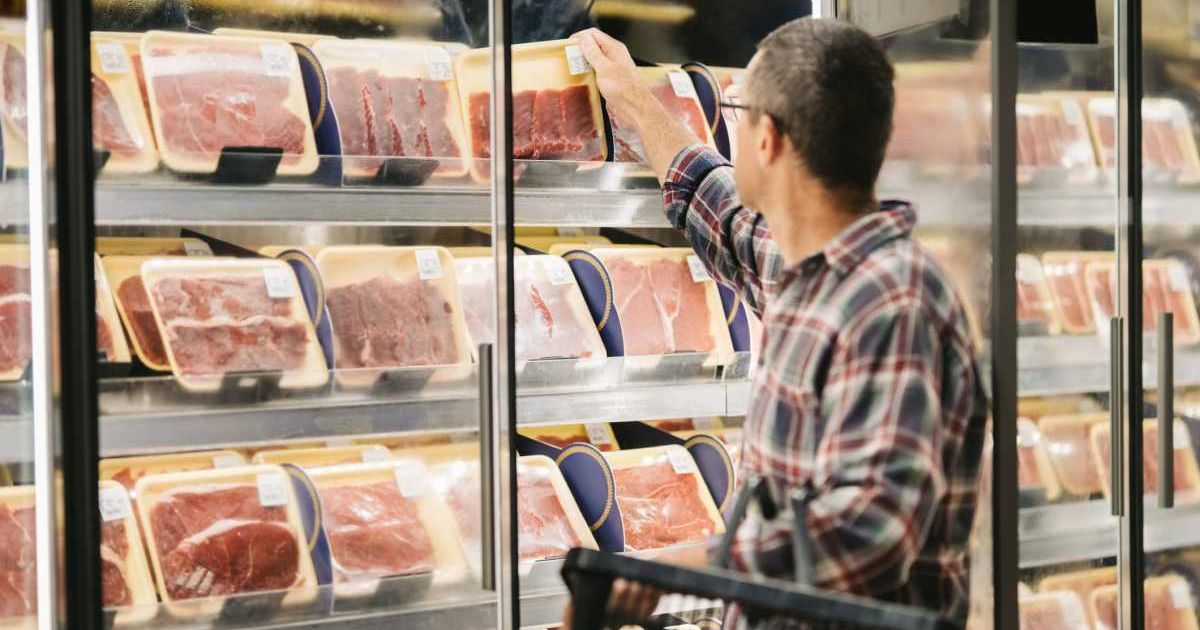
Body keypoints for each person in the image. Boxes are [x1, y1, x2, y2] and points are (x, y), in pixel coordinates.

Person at [567, 17, 989, 627]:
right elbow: (724, 213)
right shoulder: (811, 268)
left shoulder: (891, 302)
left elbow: (869, 531)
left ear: (767, 139)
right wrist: (635, 104)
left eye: (737, 110)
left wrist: (682, 568)